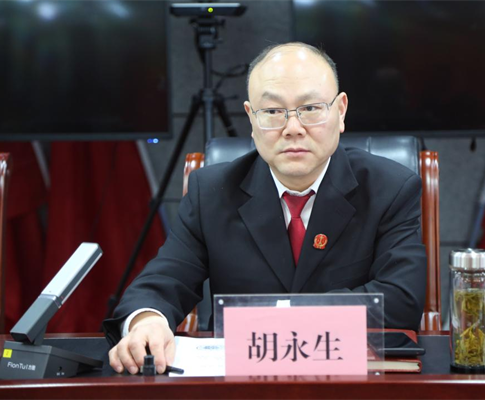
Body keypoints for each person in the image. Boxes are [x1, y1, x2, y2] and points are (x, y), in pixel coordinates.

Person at [103, 42, 427, 375]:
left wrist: (278, 317)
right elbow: (164, 280)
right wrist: (147, 320)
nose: (293, 128)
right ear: (251, 118)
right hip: (243, 385)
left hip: (352, 382)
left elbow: (401, 300)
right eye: (272, 112)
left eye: (310, 108)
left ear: (340, 112)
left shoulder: (390, 188)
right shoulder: (211, 193)